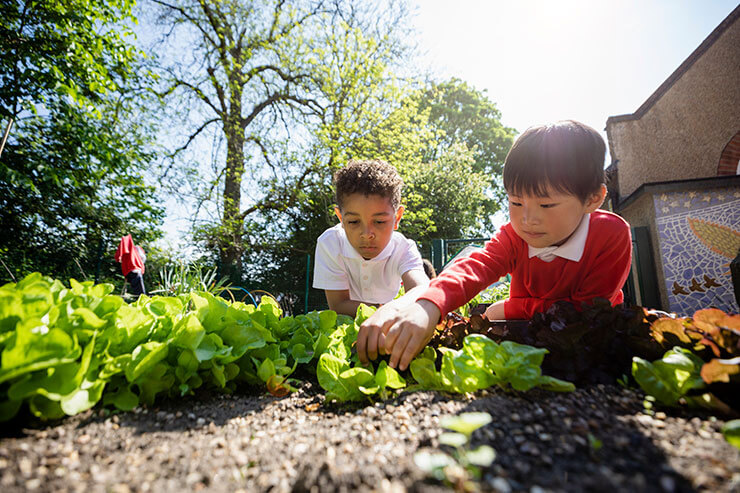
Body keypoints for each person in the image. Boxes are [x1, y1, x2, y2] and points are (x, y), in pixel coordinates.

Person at [357, 120, 632, 371]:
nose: (527, 219)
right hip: (526, 339)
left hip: (591, 347)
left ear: (592, 199)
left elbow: (584, 313)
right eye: (516, 202)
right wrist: (427, 307)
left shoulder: (611, 235)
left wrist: (510, 309)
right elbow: (475, 267)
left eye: (546, 204)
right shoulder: (515, 236)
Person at [313, 159, 429, 317]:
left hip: (388, 318)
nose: (367, 234)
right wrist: (386, 310)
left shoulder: (404, 248)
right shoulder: (330, 243)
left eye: (379, 221)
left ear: (397, 217)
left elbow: (421, 289)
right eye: (353, 222)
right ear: (340, 218)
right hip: (348, 322)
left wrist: (388, 311)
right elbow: (339, 305)